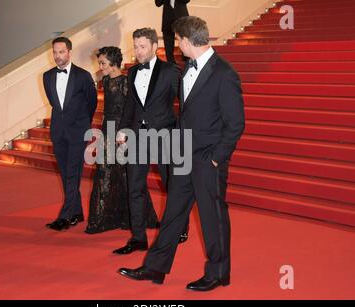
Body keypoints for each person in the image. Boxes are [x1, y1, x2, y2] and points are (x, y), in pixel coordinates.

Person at [118, 16, 245, 291]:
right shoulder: (187, 68)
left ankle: (218, 272)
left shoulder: (224, 73)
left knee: (212, 217)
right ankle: (155, 268)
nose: (176, 44)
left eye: (177, 40)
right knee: (173, 213)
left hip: (207, 159)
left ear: (187, 41)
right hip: (183, 155)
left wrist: (216, 157)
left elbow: (236, 124)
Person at [113, 28, 187, 255]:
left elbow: (185, 104)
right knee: (134, 187)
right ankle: (138, 238)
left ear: (155, 46)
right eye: (135, 46)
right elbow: (131, 105)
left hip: (164, 134)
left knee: (172, 185)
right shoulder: (133, 72)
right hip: (137, 136)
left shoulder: (170, 71)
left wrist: (182, 133)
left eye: (142, 46)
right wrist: (122, 130)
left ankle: (180, 228)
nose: (138, 51)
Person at [86, 46, 159, 234]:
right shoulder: (106, 80)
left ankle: (137, 217)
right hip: (107, 131)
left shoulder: (126, 82)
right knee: (103, 173)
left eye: (103, 63)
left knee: (127, 176)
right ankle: (101, 220)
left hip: (122, 132)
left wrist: (127, 135)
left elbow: (133, 111)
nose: (100, 66)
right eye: (100, 62)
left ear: (113, 63)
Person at [43, 37, 98, 231]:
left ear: (69, 53)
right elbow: (55, 104)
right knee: (66, 173)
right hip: (58, 132)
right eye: (55, 52)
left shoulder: (83, 75)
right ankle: (77, 212)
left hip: (77, 132)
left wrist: (83, 123)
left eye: (61, 52)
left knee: (73, 174)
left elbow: (92, 102)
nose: (58, 56)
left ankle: (65, 216)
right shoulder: (47, 76)